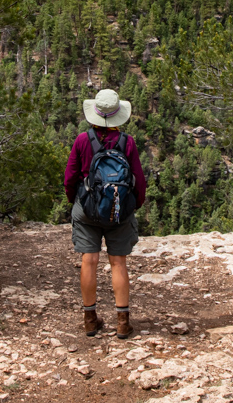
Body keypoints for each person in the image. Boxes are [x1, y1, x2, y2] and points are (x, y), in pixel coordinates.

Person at [64, 88, 147, 339]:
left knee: (89, 260)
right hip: (119, 210)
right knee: (118, 262)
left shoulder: (82, 140)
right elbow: (139, 181)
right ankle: (122, 322)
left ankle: (90, 319)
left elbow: (70, 178)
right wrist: (134, 205)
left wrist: (77, 203)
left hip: (87, 208)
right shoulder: (127, 142)